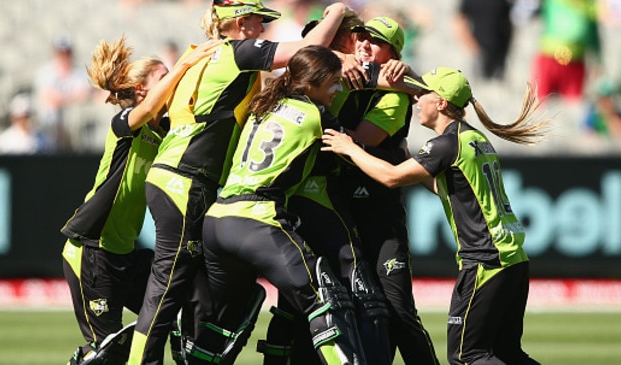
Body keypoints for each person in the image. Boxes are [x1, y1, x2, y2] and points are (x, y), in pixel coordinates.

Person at [127, 1, 349, 364]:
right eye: (260, 21)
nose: (263, 29)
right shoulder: (236, 51)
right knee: (167, 287)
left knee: (208, 291)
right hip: (188, 178)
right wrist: (337, 11)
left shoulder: (197, 54)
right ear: (241, 23)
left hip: (179, 178)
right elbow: (309, 54)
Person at [322, 66, 549, 365]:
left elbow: (390, 178)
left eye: (424, 94)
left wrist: (350, 148)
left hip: (485, 261)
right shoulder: (474, 138)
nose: (417, 101)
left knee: (467, 356)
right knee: (507, 353)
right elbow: (444, 188)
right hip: (512, 259)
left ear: (441, 103)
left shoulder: (446, 143)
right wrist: (407, 160)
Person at [200, 44, 366, 365]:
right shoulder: (317, 115)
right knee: (324, 300)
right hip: (258, 219)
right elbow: (351, 156)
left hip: (218, 220)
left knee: (224, 321)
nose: (337, 88)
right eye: (333, 81)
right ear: (313, 81)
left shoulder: (263, 105)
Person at [60, 35, 220, 365]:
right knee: (110, 353)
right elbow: (146, 109)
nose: (172, 81)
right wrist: (185, 64)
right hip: (92, 251)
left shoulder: (166, 132)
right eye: (163, 77)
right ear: (143, 89)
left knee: (165, 315)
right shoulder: (125, 122)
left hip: (125, 255)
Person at [333, 16, 440, 365]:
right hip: (338, 210)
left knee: (397, 311)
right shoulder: (343, 72)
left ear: (393, 53)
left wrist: (404, 80)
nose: (363, 44)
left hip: (378, 213)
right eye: (360, 38)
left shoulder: (394, 99)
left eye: (374, 42)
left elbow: (360, 140)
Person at [531, 0, 601, 102]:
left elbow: (594, 36)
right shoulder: (552, 3)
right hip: (550, 57)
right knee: (540, 100)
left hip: (575, 61)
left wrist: (598, 61)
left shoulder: (590, 6)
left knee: (572, 102)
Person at [34, 34, 93, 153]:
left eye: (67, 52)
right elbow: (48, 98)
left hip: (75, 122)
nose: (64, 56)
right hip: (52, 122)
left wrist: (62, 99)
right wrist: (71, 98)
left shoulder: (79, 73)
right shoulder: (46, 72)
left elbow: (85, 95)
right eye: (61, 52)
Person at [452, 0, 514, 80]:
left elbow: (509, 23)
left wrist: (507, 47)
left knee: (497, 85)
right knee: (477, 86)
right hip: (477, 50)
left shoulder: (502, 2)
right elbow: (459, 20)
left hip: (499, 51)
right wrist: (469, 44)